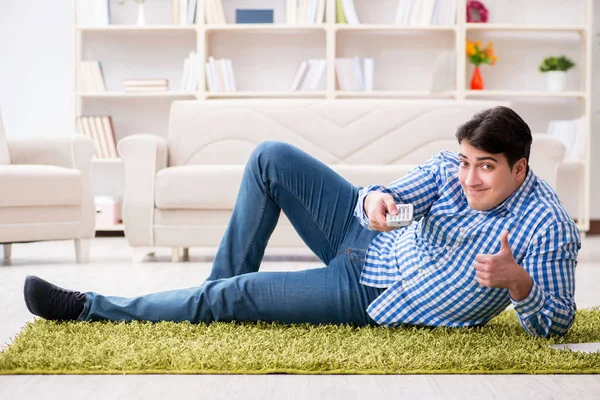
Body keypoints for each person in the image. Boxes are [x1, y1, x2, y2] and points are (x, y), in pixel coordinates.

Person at [23, 106, 580, 337]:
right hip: (364, 238)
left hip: (370, 292)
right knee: (270, 157)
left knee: (235, 296)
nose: (469, 178)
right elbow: (390, 191)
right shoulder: (451, 170)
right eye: (465, 162)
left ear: (520, 167)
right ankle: (206, 302)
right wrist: (376, 202)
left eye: (486, 168)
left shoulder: (547, 226)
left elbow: (555, 325)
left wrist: (518, 283)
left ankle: (89, 307)